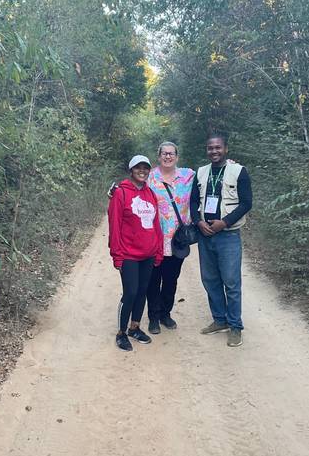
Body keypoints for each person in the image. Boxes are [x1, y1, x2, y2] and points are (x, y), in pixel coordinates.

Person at [190, 133, 252, 347]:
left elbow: (246, 203)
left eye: (218, 147)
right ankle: (219, 320)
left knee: (231, 283)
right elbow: (192, 201)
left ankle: (235, 326)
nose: (214, 151)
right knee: (210, 280)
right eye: (210, 148)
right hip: (205, 235)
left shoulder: (239, 172)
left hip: (228, 235)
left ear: (226, 149)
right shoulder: (201, 172)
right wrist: (199, 222)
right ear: (206, 150)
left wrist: (224, 222)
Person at [108, 155, 164, 351]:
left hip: (148, 254)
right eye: (138, 168)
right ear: (130, 170)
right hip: (129, 254)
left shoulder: (150, 194)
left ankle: (135, 327)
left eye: (146, 168)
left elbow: (157, 225)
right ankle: (121, 332)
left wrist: (158, 250)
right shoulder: (120, 193)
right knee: (130, 292)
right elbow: (114, 226)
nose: (142, 171)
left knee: (142, 292)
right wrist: (117, 255)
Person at [145, 142, 195, 334]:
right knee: (153, 280)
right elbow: (132, 190)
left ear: (177, 156)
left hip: (177, 241)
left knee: (171, 280)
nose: (168, 157)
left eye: (171, 153)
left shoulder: (188, 175)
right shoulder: (150, 177)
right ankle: (153, 317)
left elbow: (210, 175)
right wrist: (116, 194)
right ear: (159, 156)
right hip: (154, 239)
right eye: (164, 153)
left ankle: (166, 314)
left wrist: (229, 165)